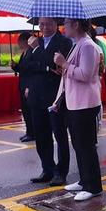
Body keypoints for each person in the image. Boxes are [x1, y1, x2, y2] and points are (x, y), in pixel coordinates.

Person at [52, 18, 103, 201]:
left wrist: (65, 64)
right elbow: (76, 72)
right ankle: (84, 180)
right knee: (78, 144)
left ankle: (93, 186)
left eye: (66, 23)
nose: (63, 27)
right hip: (75, 102)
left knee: (86, 145)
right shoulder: (78, 44)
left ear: (75, 24)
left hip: (85, 103)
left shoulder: (87, 45)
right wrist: (64, 69)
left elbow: (86, 75)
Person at [25, 17, 73, 186]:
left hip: (55, 95)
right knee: (41, 134)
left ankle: (61, 172)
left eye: (49, 23)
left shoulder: (64, 42)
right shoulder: (34, 41)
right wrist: (43, 68)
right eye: (42, 24)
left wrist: (39, 53)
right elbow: (27, 65)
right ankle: (47, 169)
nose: (45, 27)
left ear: (56, 24)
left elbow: (55, 64)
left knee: (59, 134)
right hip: (36, 94)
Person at [11, 32, 35, 142]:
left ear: (26, 41)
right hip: (22, 84)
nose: (18, 44)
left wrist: (29, 86)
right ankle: (28, 131)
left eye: (20, 41)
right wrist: (15, 67)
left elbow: (31, 71)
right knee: (25, 111)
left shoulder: (32, 53)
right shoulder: (24, 53)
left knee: (30, 111)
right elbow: (22, 69)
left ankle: (32, 132)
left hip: (28, 86)